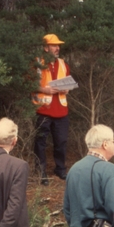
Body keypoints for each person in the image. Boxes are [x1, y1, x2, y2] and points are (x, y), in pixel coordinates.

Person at [33, 33, 71, 184]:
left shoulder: (63, 64)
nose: (57, 48)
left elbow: (68, 83)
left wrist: (66, 89)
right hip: (42, 109)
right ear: (45, 47)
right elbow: (28, 84)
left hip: (61, 110)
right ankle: (40, 172)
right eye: (54, 45)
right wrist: (44, 90)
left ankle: (60, 169)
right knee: (40, 142)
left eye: (58, 45)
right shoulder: (36, 63)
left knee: (61, 142)